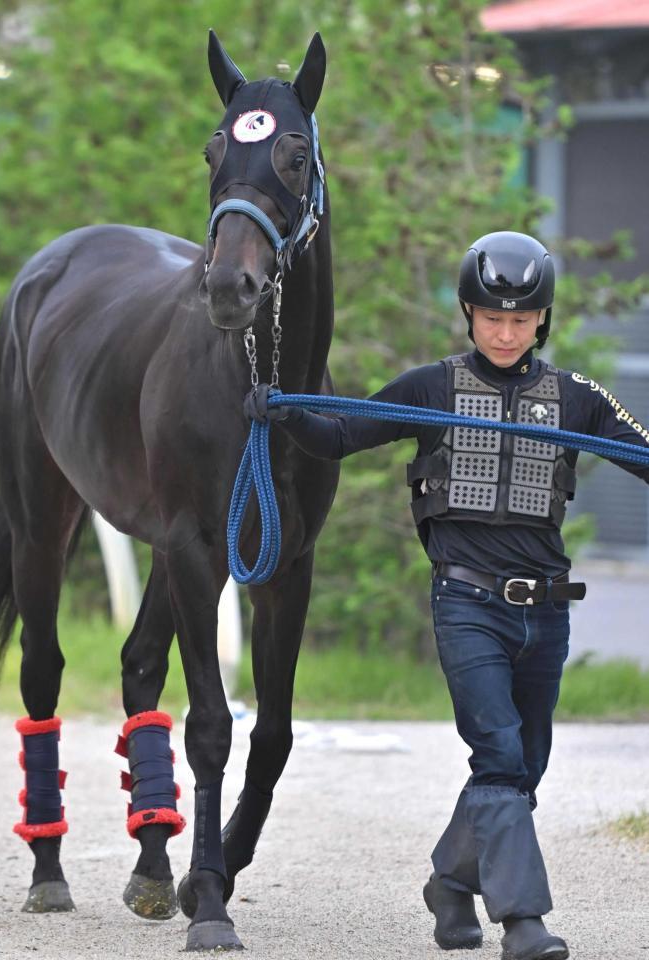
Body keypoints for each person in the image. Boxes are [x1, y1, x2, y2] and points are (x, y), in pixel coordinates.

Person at [244, 231, 649, 960]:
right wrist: (281, 412)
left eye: (520, 320)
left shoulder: (579, 399)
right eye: (491, 317)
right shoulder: (431, 390)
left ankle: (448, 880)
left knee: (524, 767)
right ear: (467, 312)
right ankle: (522, 922)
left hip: (548, 611)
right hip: (466, 605)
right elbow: (339, 435)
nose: (504, 332)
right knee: (498, 754)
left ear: (542, 322)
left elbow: (644, 455)